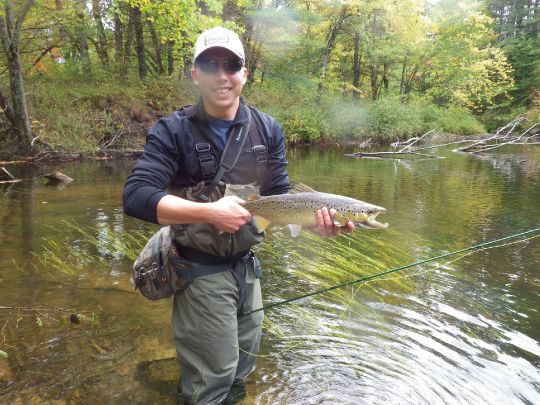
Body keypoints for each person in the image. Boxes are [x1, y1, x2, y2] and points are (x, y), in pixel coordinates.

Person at [123, 26, 353, 404]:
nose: (222, 74)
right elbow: (135, 197)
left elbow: (281, 201)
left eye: (231, 64)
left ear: (245, 73)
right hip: (198, 272)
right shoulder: (173, 130)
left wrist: (317, 225)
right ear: (195, 74)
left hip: (247, 269)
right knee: (209, 383)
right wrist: (209, 212)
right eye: (209, 64)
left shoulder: (268, 129)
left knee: (240, 369)